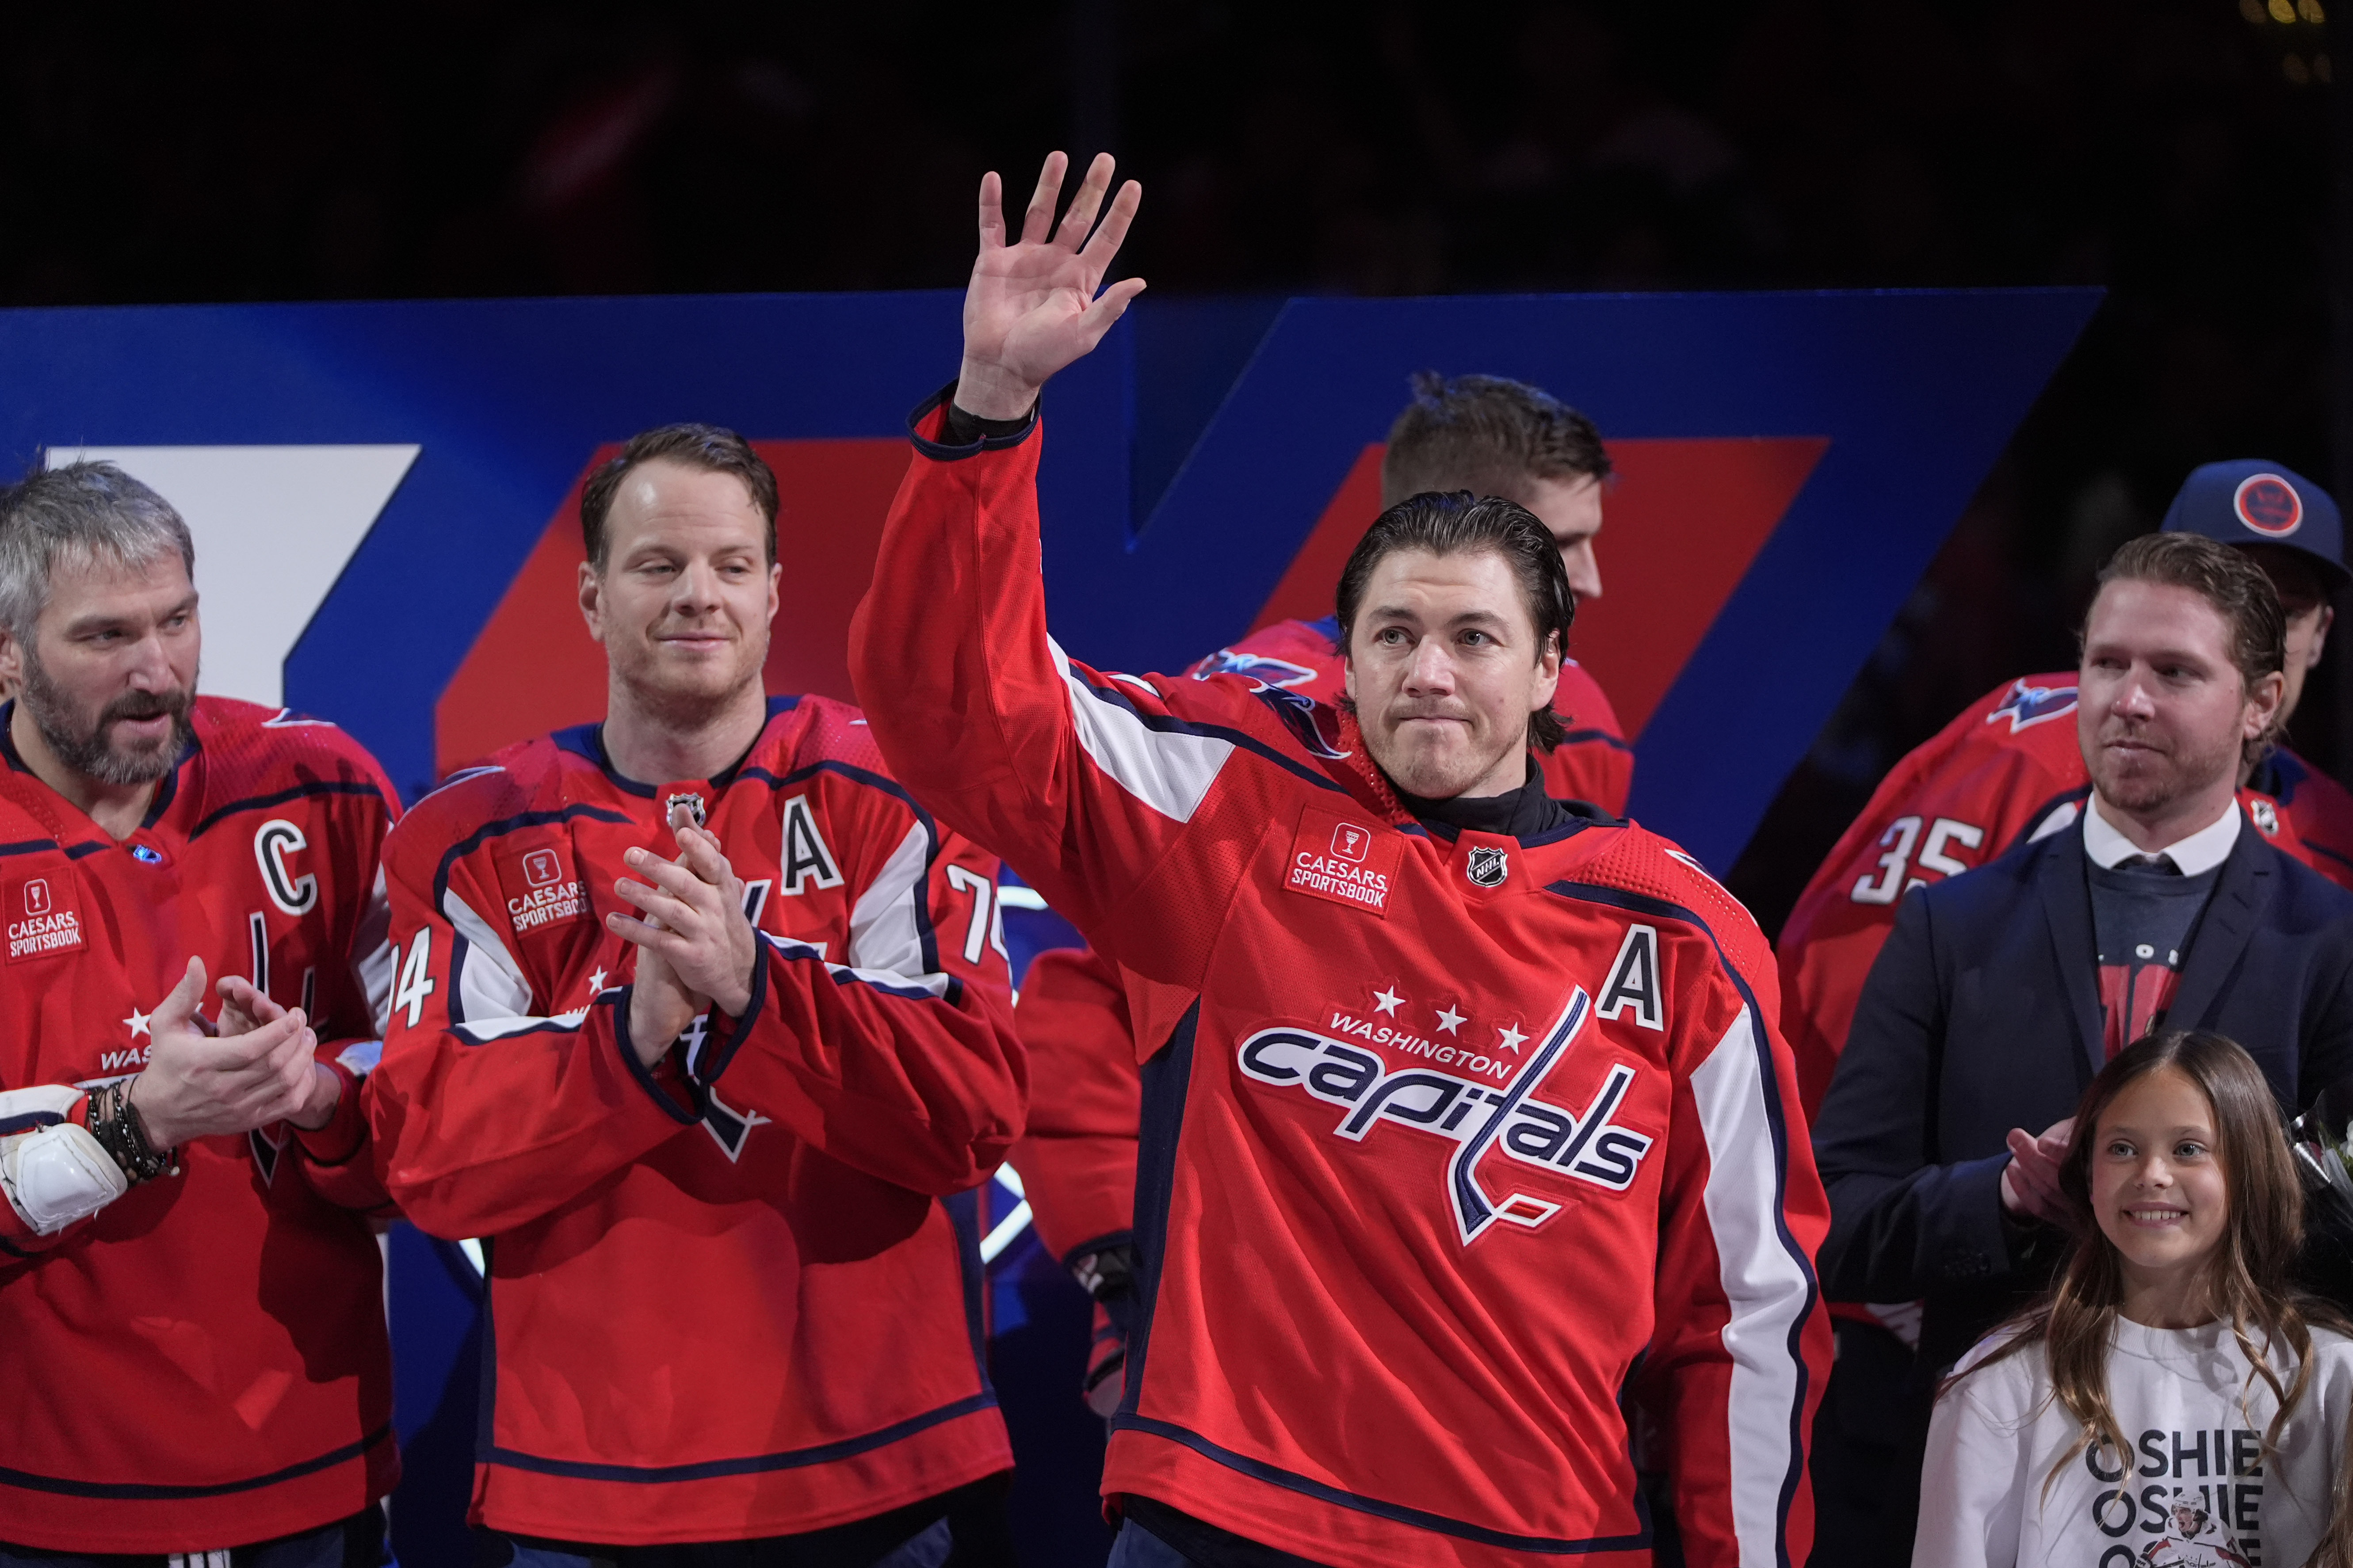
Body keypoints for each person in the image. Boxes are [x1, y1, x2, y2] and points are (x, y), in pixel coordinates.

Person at [854, 151, 1828, 1568]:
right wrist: (989, 411)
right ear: (1343, 656)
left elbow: (1745, 1315)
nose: (1431, 676)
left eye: (1477, 641)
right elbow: (961, 713)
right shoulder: (1232, 802)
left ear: (1556, 667)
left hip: (1539, 1540)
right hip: (1226, 1518)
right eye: (1395, 638)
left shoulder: (1681, 933)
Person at [367, 426, 1028, 1563]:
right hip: (590, 1488)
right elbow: (426, 1155)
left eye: (730, 565)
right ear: (589, 595)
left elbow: (970, 1114)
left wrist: (755, 985)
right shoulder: (469, 833)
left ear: (775, 592)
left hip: (872, 1472)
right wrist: (629, 1039)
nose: (697, 597)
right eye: (657, 564)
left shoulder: (895, 796)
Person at [1014, 370, 1636, 1415]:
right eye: (1566, 544)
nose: (1597, 579)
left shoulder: (1583, 721)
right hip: (1239, 1329)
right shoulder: (1248, 735)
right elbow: (1092, 996)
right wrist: (1124, 1269)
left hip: (1476, 1317)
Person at [1786, 466, 2353, 1568]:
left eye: (2173, 672)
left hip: (2249, 1485)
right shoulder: (1947, 924)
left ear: (2262, 701)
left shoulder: (2331, 935)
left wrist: (2218, 1190)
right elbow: (1836, 1222)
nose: (2126, 699)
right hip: (1975, 1478)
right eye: (2107, 664)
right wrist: (1998, 1194)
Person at [0, 462, 401, 1563]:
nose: (155, 669)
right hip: (51, 1496)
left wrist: (318, 1093)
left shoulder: (322, 783)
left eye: (178, 619)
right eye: (104, 636)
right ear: (8, 650)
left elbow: (433, 1111)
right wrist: (132, 1127)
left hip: (316, 1471)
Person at [1914, 1030, 2353, 1568]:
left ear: (2250, 1169)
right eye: (2122, 1148)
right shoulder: (2000, 1385)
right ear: (2088, 1176)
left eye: (2188, 1148)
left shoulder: (2331, 1375)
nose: (2152, 1175)